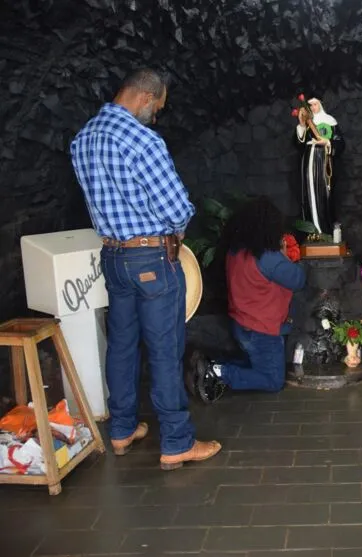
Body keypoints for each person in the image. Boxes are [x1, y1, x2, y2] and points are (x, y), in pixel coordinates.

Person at [69, 68, 221, 470]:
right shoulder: (142, 140)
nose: (156, 116)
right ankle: (176, 442)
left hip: (113, 259)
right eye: (157, 107)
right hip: (151, 259)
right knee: (165, 349)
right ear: (144, 97)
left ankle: (121, 430)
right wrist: (176, 227)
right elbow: (177, 209)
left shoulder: (82, 138)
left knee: (120, 345)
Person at [188, 198, 306, 403]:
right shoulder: (268, 257)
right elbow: (298, 280)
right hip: (263, 330)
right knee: (273, 380)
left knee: (255, 363)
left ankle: (212, 364)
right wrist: (285, 256)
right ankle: (217, 371)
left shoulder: (235, 252)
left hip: (241, 324)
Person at [294, 97, 345, 235]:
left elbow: (340, 143)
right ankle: (312, 232)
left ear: (320, 105)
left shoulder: (330, 121)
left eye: (315, 104)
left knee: (326, 195)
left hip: (325, 162)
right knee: (309, 194)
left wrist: (327, 143)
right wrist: (302, 125)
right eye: (310, 105)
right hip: (309, 162)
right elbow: (298, 145)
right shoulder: (306, 123)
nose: (313, 108)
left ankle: (327, 231)